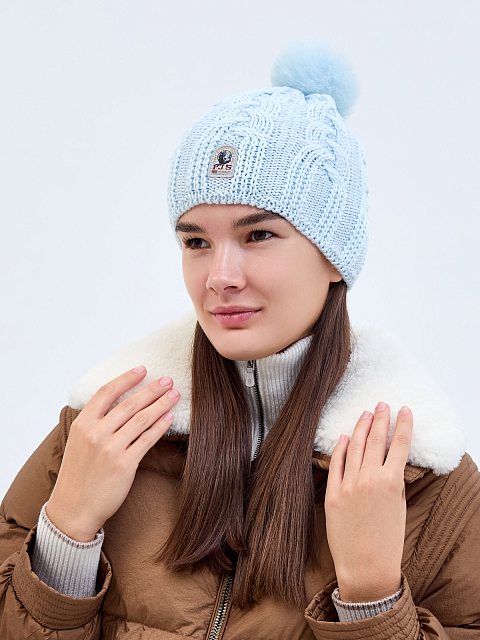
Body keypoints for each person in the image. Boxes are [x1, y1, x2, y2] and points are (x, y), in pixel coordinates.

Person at [0, 41, 479, 640]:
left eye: (258, 236)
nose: (219, 276)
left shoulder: (425, 482)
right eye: (196, 242)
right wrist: (66, 534)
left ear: (334, 256)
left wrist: (370, 599)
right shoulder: (100, 429)